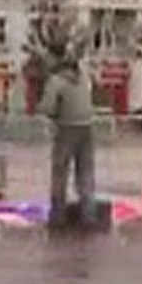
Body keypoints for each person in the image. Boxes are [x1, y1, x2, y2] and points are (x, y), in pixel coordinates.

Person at [38, 56, 96, 228]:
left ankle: (58, 216)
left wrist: (46, 110)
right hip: (87, 128)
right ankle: (88, 214)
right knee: (85, 173)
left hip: (66, 129)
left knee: (60, 172)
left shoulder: (57, 81)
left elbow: (47, 107)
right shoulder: (84, 79)